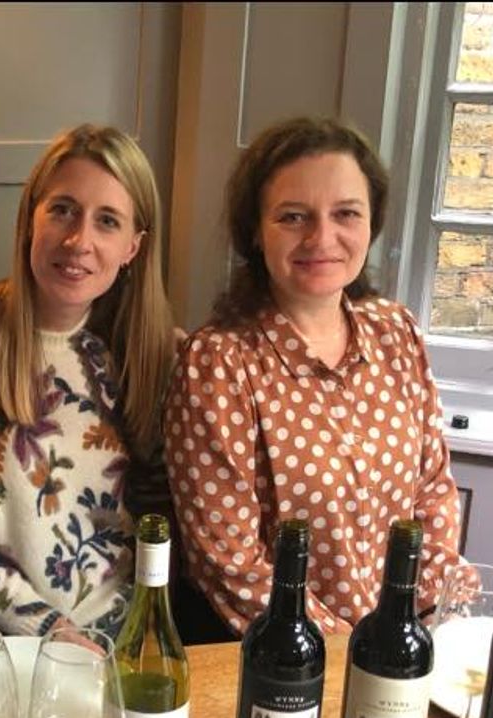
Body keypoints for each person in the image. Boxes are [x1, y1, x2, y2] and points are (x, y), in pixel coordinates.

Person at [164, 116, 463, 637]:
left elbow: (432, 492)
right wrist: (350, 650)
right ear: (255, 232)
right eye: (293, 216)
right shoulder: (217, 364)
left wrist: (423, 622)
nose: (322, 237)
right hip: (284, 657)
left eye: (346, 213)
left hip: (405, 641)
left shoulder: (397, 332)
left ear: (371, 223)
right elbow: (229, 563)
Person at [0, 123, 175, 637]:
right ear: (30, 217)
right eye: (62, 210)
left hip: (131, 634)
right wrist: (56, 635)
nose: (79, 241)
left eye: (107, 221)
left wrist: (145, 632)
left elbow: (159, 524)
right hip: (10, 642)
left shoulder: (146, 352)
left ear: (133, 248)